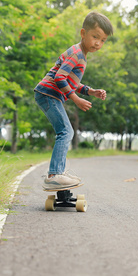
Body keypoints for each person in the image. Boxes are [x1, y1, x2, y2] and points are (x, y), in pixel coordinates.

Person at [34, 11, 114, 190]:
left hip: (49, 94)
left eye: (102, 40)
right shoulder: (77, 53)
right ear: (83, 33)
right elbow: (59, 78)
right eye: (95, 37)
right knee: (66, 131)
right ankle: (55, 175)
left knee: (65, 131)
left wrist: (90, 91)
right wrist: (76, 100)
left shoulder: (81, 55)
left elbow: (71, 81)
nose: (98, 43)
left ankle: (57, 172)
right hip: (48, 93)